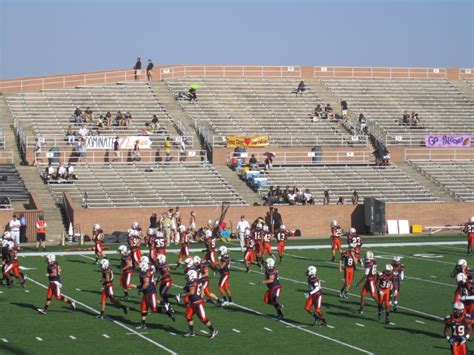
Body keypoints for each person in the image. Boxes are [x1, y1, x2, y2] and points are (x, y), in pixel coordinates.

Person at [136, 261, 175, 329]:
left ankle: (168, 311)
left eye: (141, 267)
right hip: (146, 293)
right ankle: (143, 324)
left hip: (151, 293)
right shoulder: (149, 270)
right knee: (143, 308)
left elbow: (146, 283)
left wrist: (140, 289)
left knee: (154, 308)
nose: (140, 269)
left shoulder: (145, 273)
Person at [183, 269, 219, 339]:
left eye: (188, 276)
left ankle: (213, 330)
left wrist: (183, 294)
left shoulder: (192, 282)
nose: (187, 277)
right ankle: (191, 332)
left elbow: (192, 292)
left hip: (198, 303)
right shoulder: (198, 280)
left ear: (192, 276)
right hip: (193, 303)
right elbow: (202, 288)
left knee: (203, 318)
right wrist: (201, 294)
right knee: (188, 316)